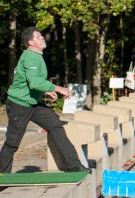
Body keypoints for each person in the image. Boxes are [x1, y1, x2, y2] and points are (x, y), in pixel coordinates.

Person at [0, 27, 89, 173]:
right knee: (12, 143)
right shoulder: (30, 57)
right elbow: (34, 82)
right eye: (38, 36)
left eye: (41, 35)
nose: (42, 38)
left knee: (55, 124)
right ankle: (2, 175)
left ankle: (73, 166)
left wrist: (46, 89)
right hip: (19, 105)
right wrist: (59, 89)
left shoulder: (35, 55)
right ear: (30, 42)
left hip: (33, 103)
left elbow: (30, 80)